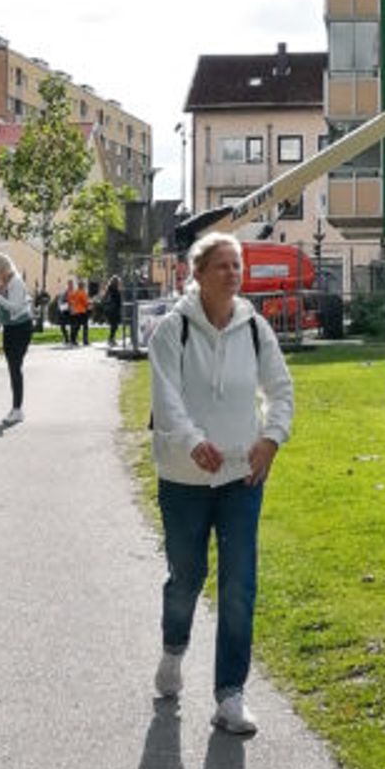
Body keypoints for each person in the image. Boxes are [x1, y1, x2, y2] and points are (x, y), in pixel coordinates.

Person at [148, 230, 295, 738]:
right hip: (184, 476)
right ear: (199, 274)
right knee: (186, 577)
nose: (233, 273)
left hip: (241, 475)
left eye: (238, 265)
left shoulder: (255, 329)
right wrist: (192, 442)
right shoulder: (173, 331)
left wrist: (271, 439)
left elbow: (281, 390)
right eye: (223, 266)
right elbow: (165, 400)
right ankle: (173, 650)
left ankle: (230, 694)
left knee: (239, 584)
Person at [0, 254, 33, 424]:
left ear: (2, 269)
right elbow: (1, 311)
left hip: (21, 328)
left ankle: (17, 409)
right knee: (13, 368)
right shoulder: (4, 283)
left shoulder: (16, 282)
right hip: (9, 328)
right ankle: (16, 408)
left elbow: (15, 306)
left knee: (15, 368)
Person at [100, 272, 125, 348]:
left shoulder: (109, 289)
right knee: (114, 325)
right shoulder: (115, 291)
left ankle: (111, 339)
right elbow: (119, 300)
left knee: (114, 326)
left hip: (110, 310)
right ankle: (111, 339)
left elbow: (104, 299)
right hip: (114, 310)